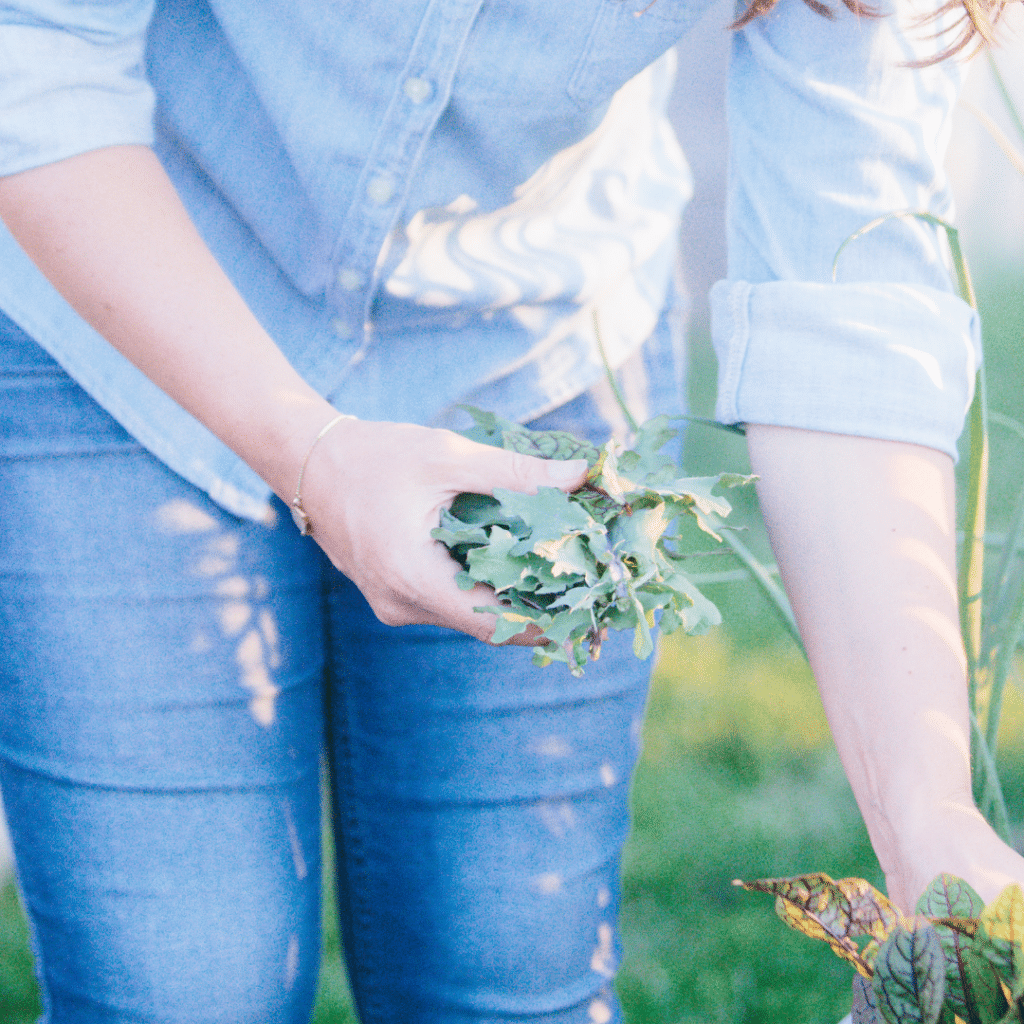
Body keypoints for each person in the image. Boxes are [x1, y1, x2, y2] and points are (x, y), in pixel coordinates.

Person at [0, 0, 1022, 1021]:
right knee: (178, 988)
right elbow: (36, 55)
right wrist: (311, 450)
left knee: (504, 978)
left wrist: (924, 819)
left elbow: (842, 283)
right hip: (124, 308)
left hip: (528, 351)